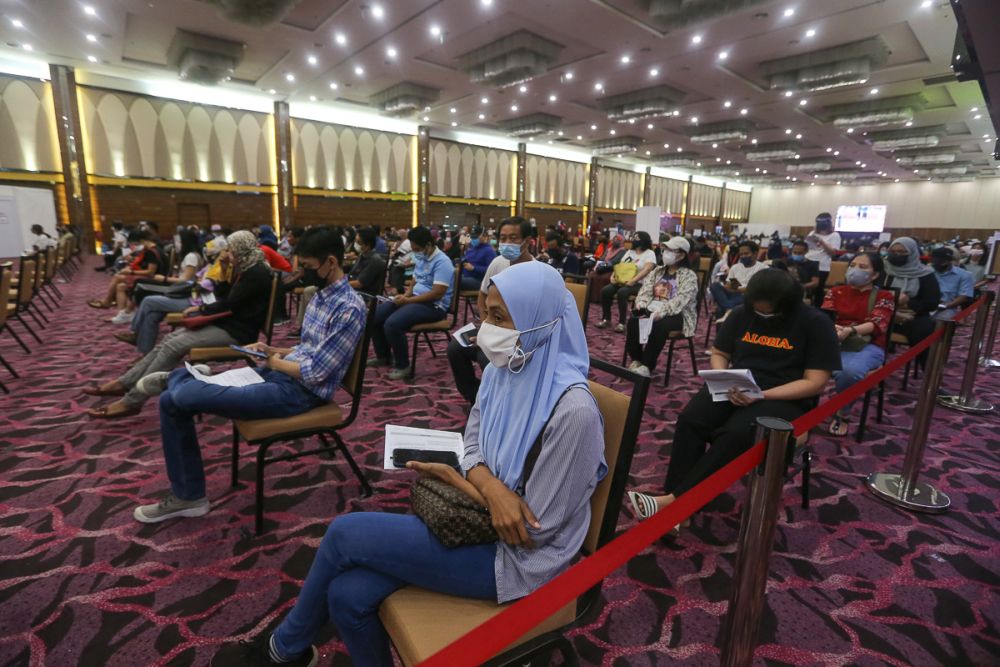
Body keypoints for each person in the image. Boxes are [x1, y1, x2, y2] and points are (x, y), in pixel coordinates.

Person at [210, 261, 605, 667]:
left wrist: (461, 480)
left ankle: (280, 653)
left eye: (500, 317)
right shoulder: (506, 370)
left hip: (519, 564)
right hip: (477, 521)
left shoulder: (572, 412)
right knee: (346, 596)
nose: (485, 327)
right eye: (485, 312)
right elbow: (473, 443)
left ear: (538, 322)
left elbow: (532, 534)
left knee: (345, 533)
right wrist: (488, 485)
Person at [132, 227, 366, 524]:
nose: (302, 274)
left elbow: (317, 372)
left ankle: (179, 378)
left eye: (307, 267)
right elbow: (309, 348)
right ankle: (189, 496)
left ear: (330, 263)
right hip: (281, 376)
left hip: (300, 394)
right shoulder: (321, 296)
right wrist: (275, 349)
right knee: (169, 401)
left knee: (182, 393)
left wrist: (272, 361)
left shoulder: (348, 308)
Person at [627, 269, 840, 520]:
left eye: (768, 311)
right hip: (737, 386)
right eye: (757, 308)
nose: (762, 314)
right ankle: (677, 500)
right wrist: (722, 378)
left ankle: (675, 504)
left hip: (784, 398)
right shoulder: (742, 313)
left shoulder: (815, 323)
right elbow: (720, 353)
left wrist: (763, 395)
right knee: (691, 419)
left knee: (734, 434)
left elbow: (815, 382)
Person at [83, 231, 272, 418]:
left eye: (231, 250)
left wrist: (202, 310)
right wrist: (223, 268)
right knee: (169, 338)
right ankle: (125, 383)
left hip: (237, 332)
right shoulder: (248, 267)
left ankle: (132, 401)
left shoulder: (255, 272)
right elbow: (225, 295)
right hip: (227, 324)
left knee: (174, 345)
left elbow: (229, 302)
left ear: (240, 250)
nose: (227, 253)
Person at [447, 217, 534, 404]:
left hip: (520, 337)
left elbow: (535, 321)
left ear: (527, 241)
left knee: (489, 359)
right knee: (456, 347)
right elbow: (482, 296)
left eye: (513, 238)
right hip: (494, 327)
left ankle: (498, 403)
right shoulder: (498, 262)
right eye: (503, 238)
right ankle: (476, 398)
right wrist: (487, 330)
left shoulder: (537, 272)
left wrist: (492, 338)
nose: (507, 243)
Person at [821, 253, 895, 436]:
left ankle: (842, 413)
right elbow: (825, 316)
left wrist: (850, 331)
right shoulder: (836, 291)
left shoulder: (884, 296)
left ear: (875, 274)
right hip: (833, 340)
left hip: (867, 344)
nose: (855, 270)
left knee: (849, 371)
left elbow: (877, 324)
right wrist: (834, 328)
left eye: (863, 267)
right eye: (853, 265)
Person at [370, 225, 453, 380]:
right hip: (415, 299)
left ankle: (403, 365)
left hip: (434, 306)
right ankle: (383, 356)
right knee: (375, 315)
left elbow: (437, 293)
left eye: (417, 249)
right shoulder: (422, 256)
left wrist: (408, 300)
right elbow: (416, 278)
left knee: (392, 324)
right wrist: (406, 295)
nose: (415, 252)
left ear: (428, 245)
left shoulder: (443, 262)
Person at [116, 229, 206, 349]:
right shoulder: (192, 255)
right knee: (152, 315)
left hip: (187, 296)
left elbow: (186, 280)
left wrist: (164, 279)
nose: (176, 243)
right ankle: (145, 352)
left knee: (147, 299)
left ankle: (135, 332)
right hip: (184, 292)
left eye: (178, 241)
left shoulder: (191, 257)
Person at [624, 237, 698, 377]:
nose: (666, 253)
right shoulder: (658, 271)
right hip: (653, 308)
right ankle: (637, 359)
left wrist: (661, 312)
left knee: (659, 325)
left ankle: (647, 364)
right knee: (635, 319)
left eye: (671, 250)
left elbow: (681, 300)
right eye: (665, 250)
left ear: (682, 255)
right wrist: (642, 305)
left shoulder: (689, 276)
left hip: (677, 314)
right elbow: (645, 290)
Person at [88, 230, 164, 325]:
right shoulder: (151, 249)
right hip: (152, 277)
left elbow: (151, 272)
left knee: (118, 277)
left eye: (137, 244)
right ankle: (124, 314)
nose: (136, 246)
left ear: (141, 241)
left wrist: (131, 272)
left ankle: (108, 301)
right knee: (120, 286)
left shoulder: (152, 251)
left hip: (155, 279)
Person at [885, 237, 941, 355]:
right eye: (893, 252)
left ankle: (928, 369)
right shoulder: (883, 269)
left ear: (912, 253)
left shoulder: (925, 274)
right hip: (883, 312)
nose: (897, 255)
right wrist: (893, 301)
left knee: (924, 330)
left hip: (912, 315)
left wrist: (908, 303)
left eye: (902, 252)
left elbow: (932, 302)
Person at [598, 231, 656, 332]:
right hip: (623, 281)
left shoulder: (650, 253)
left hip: (639, 283)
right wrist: (613, 276)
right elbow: (620, 266)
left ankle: (622, 323)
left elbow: (647, 270)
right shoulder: (629, 252)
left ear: (644, 240)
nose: (633, 240)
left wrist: (633, 280)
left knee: (622, 292)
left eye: (636, 238)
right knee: (605, 291)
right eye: (633, 238)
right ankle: (606, 319)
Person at [709, 240, 768, 321]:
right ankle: (729, 309)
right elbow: (728, 285)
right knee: (715, 285)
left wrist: (738, 289)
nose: (743, 256)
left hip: (748, 298)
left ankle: (727, 311)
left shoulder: (763, 269)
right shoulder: (735, 267)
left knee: (720, 309)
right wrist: (738, 289)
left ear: (755, 254)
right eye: (741, 254)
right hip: (734, 294)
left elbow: (756, 290)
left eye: (746, 254)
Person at [805, 212, 842, 306]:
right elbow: (808, 247)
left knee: (818, 289)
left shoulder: (835, 235)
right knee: (806, 288)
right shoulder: (813, 233)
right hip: (809, 262)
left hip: (822, 266)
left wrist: (822, 242)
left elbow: (833, 253)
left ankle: (817, 309)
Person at [930, 247, 974, 320]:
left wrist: (946, 305)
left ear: (949, 261)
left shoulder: (964, 274)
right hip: (927, 305)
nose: (936, 264)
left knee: (943, 319)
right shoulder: (928, 271)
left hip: (947, 307)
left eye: (941, 262)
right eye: (934, 262)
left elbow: (964, 296)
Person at [459, 227, 498, 291]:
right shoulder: (471, 249)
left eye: (476, 237)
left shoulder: (489, 251)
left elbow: (491, 270)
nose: (474, 239)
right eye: (473, 237)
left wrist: (474, 268)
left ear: (484, 236)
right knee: (451, 277)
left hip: (480, 280)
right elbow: (465, 260)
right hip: (467, 276)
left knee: (456, 280)